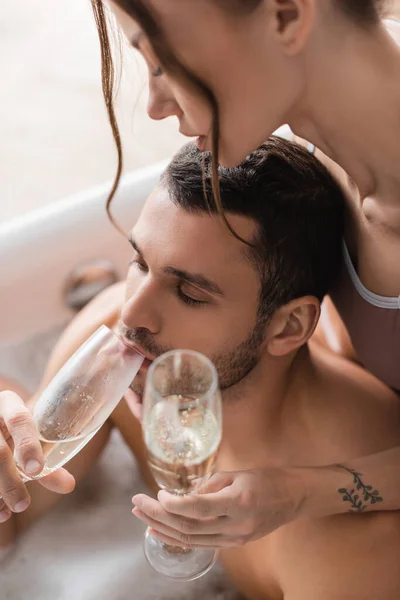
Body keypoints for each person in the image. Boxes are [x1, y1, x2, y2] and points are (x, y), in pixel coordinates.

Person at [2, 139, 400, 598]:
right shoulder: (116, 348)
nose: (132, 314)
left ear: (288, 326)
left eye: (189, 293)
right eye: (139, 262)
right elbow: (13, 521)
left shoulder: (352, 549)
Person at [85, 0, 400, 543]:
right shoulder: (324, 131)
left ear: (284, 14)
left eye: (161, 63)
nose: (156, 105)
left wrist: (301, 490)